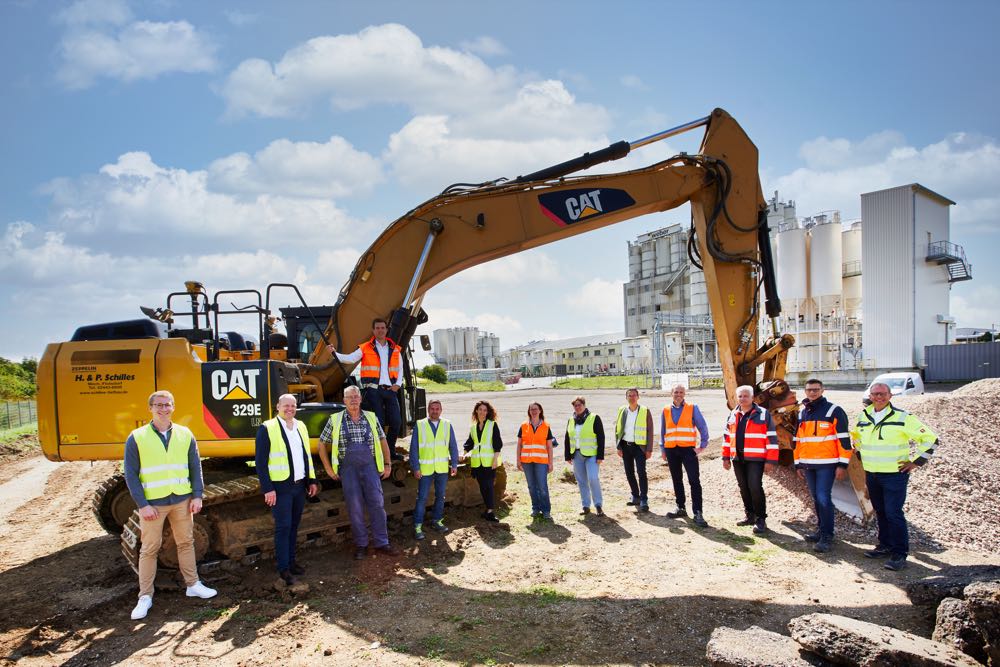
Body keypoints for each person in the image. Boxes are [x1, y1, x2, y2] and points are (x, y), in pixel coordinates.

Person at [124, 390, 217, 620]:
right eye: (159, 405)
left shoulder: (185, 434)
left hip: (182, 500)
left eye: (167, 405)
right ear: (151, 408)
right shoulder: (137, 437)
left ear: (173, 407)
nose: (163, 409)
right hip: (154, 504)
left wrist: (197, 495)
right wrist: (142, 504)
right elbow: (131, 474)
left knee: (186, 542)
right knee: (150, 548)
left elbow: (195, 467)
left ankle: (193, 584)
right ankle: (145, 596)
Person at [853, 381, 938, 571]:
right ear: (870, 396)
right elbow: (856, 437)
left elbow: (931, 440)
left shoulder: (903, 417)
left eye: (883, 394)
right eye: (875, 394)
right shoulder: (864, 416)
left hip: (894, 475)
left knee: (893, 513)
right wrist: (861, 455)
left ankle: (900, 554)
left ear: (890, 396)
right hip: (872, 473)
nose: (879, 397)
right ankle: (885, 546)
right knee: (881, 512)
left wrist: (915, 462)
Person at [318, 385, 395, 560]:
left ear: (360, 399)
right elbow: (321, 444)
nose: (353, 400)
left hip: (370, 468)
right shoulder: (335, 420)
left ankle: (382, 542)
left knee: (377, 504)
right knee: (355, 509)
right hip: (348, 470)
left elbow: (383, 441)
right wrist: (329, 469)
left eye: (356, 396)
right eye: (349, 397)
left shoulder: (371, 417)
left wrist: (388, 464)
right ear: (344, 401)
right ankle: (361, 545)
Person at [255, 394, 320, 585]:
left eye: (293, 406)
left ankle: (291, 563)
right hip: (280, 487)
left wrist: (312, 480)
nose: (290, 409)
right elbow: (260, 462)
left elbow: (306, 455)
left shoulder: (301, 426)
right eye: (286, 405)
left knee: (293, 526)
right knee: (283, 527)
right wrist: (267, 488)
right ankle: (283, 569)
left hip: (299, 485)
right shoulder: (267, 428)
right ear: (278, 406)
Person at [327, 318, 404, 460]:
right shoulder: (365, 347)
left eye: (383, 328)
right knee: (378, 423)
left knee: (396, 422)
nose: (380, 330)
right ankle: (380, 453)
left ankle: (390, 451)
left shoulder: (395, 348)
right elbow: (350, 359)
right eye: (377, 328)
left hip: (390, 391)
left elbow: (400, 368)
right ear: (373, 330)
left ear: (386, 330)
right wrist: (334, 353)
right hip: (373, 391)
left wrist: (398, 384)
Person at [794, 379, 852, 553]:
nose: (813, 393)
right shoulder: (803, 413)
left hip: (827, 464)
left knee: (823, 498)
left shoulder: (834, 411)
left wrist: (842, 464)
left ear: (822, 390)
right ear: (805, 392)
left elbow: (844, 440)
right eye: (809, 390)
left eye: (816, 390)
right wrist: (798, 464)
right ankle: (821, 530)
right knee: (816, 498)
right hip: (808, 464)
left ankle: (827, 535)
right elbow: (798, 441)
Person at [722, 385, 779, 534]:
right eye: (740, 396)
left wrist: (770, 460)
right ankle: (750, 515)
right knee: (744, 487)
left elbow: (772, 438)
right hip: (737, 458)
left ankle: (761, 519)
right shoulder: (733, 414)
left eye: (746, 396)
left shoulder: (763, 414)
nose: (742, 399)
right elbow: (727, 438)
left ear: (752, 398)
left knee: (754, 486)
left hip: (756, 458)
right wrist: (725, 457)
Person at [661, 384, 710, 527]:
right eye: (676, 392)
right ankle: (680, 507)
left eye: (681, 392)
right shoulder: (665, 410)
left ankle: (698, 512)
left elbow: (702, 426)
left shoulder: (692, 407)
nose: (678, 394)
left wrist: (702, 446)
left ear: (684, 394)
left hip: (688, 450)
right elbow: (663, 430)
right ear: (671, 393)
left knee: (694, 480)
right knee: (677, 479)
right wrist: (663, 449)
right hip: (671, 450)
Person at [409, 399, 458, 540]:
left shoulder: (447, 425)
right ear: (428, 410)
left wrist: (454, 464)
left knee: (441, 497)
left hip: (442, 469)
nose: (435, 411)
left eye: (437, 409)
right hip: (425, 469)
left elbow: (452, 445)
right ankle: (418, 526)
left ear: (441, 410)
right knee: (422, 498)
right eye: (432, 408)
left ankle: (437, 521)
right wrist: (415, 467)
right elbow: (414, 448)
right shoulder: (420, 424)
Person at [614, 388, 654, 512]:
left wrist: (649, 449)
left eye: (634, 395)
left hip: (639, 447)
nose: (632, 397)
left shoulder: (645, 410)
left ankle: (644, 499)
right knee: (629, 472)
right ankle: (635, 496)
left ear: (638, 397)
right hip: (626, 446)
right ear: (626, 397)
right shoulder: (622, 410)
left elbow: (650, 431)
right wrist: (618, 446)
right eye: (629, 395)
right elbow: (618, 429)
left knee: (641, 472)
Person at [462, 400, 503, 522]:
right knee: (482, 487)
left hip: (489, 462)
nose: (482, 412)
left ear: (488, 412)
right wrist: (463, 454)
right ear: (476, 411)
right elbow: (470, 442)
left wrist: (495, 460)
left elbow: (497, 444)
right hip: (477, 463)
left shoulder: (492, 425)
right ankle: (487, 510)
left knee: (488, 486)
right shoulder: (473, 427)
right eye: (480, 410)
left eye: (485, 410)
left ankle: (490, 511)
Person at [564, 396, 605, 516]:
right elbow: (568, 438)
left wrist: (600, 456)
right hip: (577, 455)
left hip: (592, 455)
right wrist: (568, 455)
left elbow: (601, 437)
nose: (577, 407)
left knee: (593, 478)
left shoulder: (594, 418)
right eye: (575, 405)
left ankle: (598, 505)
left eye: (579, 405)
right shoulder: (571, 420)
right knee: (581, 481)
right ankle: (586, 506)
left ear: (584, 405)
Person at [517, 402, 556, 520]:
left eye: (536, 409)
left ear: (540, 411)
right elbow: (519, 445)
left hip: (541, 461)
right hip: (526, 461)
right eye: (531, 409)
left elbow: (549, 446)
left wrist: (550, 463)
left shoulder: (546, 426)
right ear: (529, 411)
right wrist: (518, 460)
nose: (534, 411)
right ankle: (535, 508)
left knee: (542, 487)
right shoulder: (523, 426)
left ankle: (546, 510)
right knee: (531, 486)